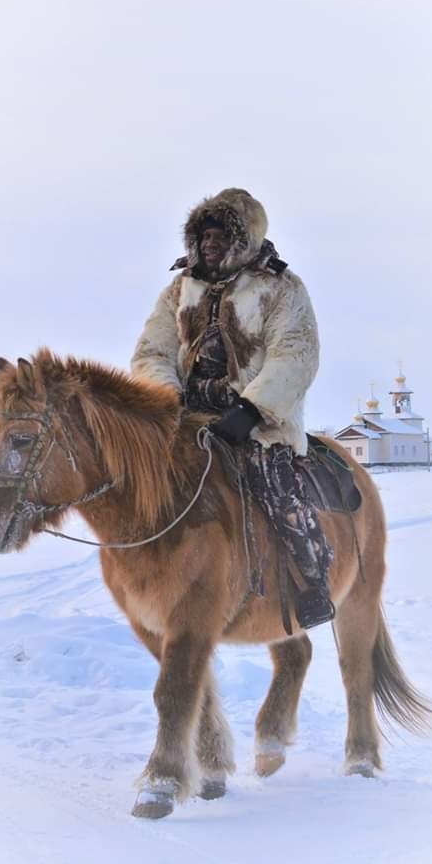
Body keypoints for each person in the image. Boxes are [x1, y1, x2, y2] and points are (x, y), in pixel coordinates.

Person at [131, 188, 334, 628]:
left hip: (255, 422)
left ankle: (314, 580)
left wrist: (253, 409)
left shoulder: (281, 288)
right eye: (203, 234)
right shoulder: (179, 291)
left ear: (243, 241)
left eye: (221, 234)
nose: (209, 242)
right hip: (187, 416)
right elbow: (152, 351)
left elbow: (295, 354)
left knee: (276, 486)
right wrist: (167, 398)